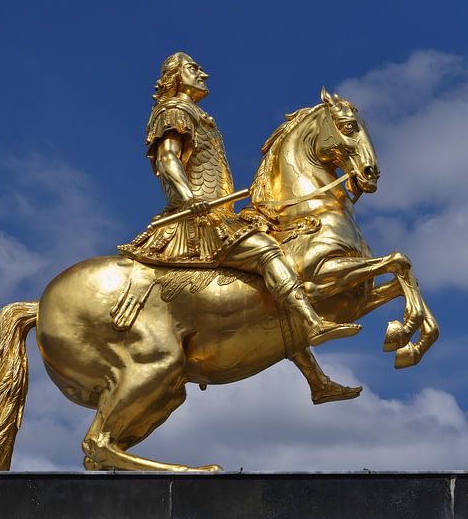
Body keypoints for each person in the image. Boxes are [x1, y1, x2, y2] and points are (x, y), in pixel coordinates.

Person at [118, 52, 362, 404]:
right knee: (268, 252)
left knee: (266, 293)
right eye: (192, 68)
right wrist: (188, 199)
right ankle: (312, 321)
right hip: (197, 220)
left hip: (217, 214)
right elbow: (169, 159)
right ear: (174, 77)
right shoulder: (174, 111)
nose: (203, 73)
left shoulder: (200, 117)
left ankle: (317, 381)